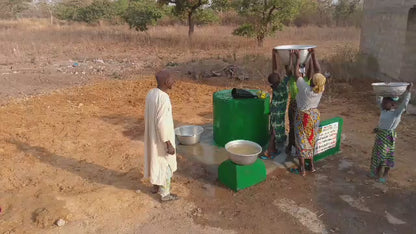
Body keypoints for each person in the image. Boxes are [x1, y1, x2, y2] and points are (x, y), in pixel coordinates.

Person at [144, 70, 179, 202]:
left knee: (155, 161)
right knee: (165, 164)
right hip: (162, 138)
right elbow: (162, 123)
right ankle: (165, 194)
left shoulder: (151, 93)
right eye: (171, 79)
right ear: (166, 82)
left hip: (153, 136)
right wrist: (168, 143)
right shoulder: (164, 98)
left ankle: (155, 185)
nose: (174, 81)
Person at [369, 83, 413, 183]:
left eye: (386, 102)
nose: (383, 104)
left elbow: (404, 104)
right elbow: (378, 100)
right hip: (380, 136)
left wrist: (408, 92)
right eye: (384, 102)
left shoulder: (396, 114)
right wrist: (379, 91)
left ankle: (384, 174)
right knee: (377, 154)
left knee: (386, 156)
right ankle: (375, 172)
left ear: (393, 104)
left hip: (388, 138)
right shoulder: (384, 110)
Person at [293, 49, 326, 176]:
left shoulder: (305, 89)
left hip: (303, 116)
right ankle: (311, 166)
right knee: (311, 139)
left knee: (301, 141)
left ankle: (301, 169)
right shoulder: (320, 88)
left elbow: (296, 74)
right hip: (314, 115)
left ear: (312, 81)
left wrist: (297, 59)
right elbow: (318, 71)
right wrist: (313, 55)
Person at [286, 49, 321, 156]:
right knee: (293, 128)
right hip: (295, 105)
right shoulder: (295, 79)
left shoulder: (303, 81)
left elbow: (310, 70)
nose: (301, 71)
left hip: (299, 107)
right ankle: (292, 144)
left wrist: (302, 57)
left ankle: (298, 149)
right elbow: (290, 69)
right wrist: (309, 55)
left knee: (299, 130)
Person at [262, 52, 294, 159]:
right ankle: (269, 151)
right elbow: (289, 72)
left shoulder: (275, 84)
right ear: (279, 79)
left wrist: (274, 54)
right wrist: (291, 57)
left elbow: (274, 70)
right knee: (275, 131)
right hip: (278, 111)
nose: (280, 75)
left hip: (275, 109)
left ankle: (273, 148)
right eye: (279, 76)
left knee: (274, 128)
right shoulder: (281, 85)